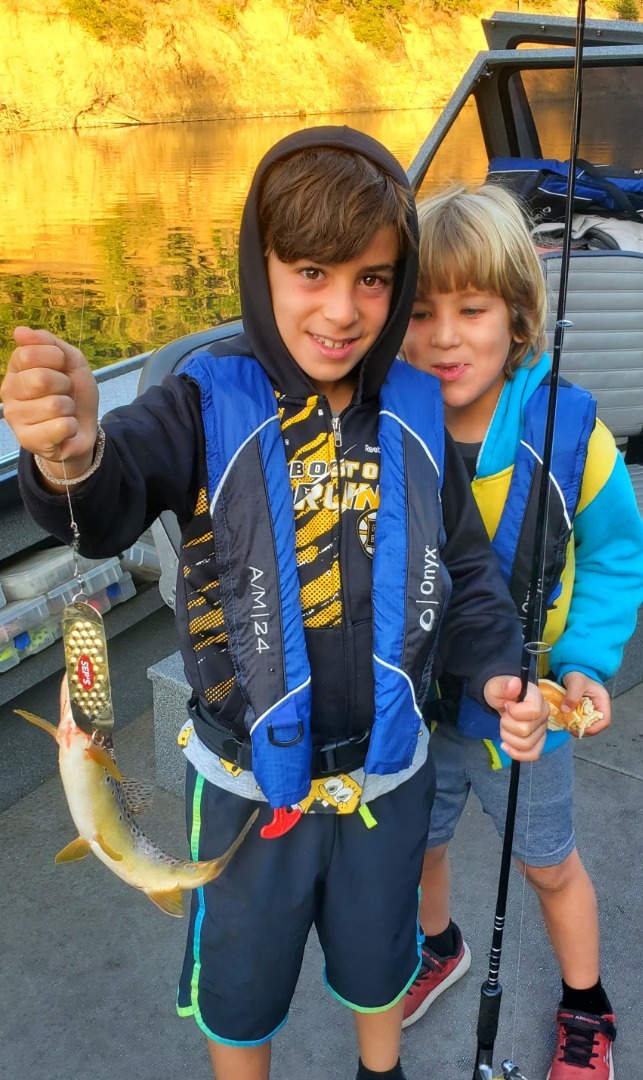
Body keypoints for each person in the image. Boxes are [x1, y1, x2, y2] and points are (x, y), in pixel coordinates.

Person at [1, 130, 548, 1080]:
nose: (341, 311)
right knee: (240, 990)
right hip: (248, 788)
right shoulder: (197, 399)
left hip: (388, 779)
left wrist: (502, 671)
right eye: (309, 272)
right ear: (260, 269)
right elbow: (110, 497)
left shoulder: (420, 411)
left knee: (381, 966)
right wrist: (69, 457)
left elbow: (463, 576)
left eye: (373, 280)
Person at [401, 182, 643, 1080]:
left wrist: (583, 664)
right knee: (416, 844)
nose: (444, 336)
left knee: (547, 865)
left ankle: (586, 1005)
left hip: (523, 720)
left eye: (471, 308)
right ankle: (438, 946)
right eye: (420, 312)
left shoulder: (575, 438)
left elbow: (616, 555)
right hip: (418, 709)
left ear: (519, 316)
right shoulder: (385, 429)